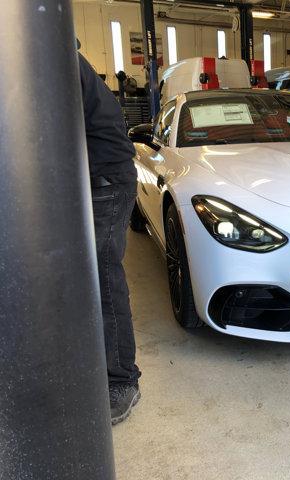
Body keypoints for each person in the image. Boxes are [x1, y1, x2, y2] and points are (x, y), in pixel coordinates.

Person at [78, 51, 141, 425]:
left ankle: (121, 380)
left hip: (105, 182)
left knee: (103, 277)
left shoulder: (54, 57)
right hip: (88, 179)